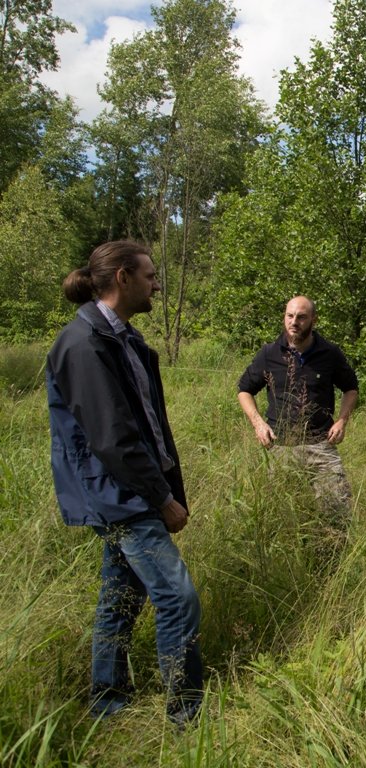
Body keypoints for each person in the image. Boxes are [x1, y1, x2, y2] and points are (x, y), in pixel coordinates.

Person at [46, 241, 202, 726]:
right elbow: (113, 438)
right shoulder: (83, 345)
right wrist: (162, 499)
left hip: (129, 490)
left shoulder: (124, 340)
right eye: (150, 276)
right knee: (177, 598)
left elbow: (146, 423)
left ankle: (107, 699)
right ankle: (186, 714)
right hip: (121, 495)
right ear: (122, 278)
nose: (157, 284)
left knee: (120, 597)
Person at [238, 296, 359, 518]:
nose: (294, 322)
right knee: (279, 513)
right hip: (280, 446)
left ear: (314, 319)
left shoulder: (330, 353)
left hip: (321, 444)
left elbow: (351, 388)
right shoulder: (269, 353)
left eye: (301, 317)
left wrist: (342, 421)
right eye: (290, 316)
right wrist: (258, 423)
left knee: (336, 510)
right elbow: (244, 390)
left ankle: (333, 550)